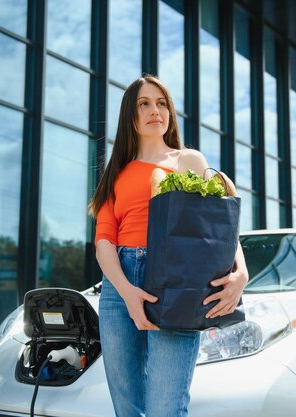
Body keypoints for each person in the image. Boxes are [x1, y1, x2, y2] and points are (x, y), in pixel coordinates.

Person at [89, 75, 248, 417]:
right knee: (126, 409)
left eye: (161, 103)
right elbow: (104, 242)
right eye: (144, 104)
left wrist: (241, 273)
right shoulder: (115, 173)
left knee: (165, 408)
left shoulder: (188, 161)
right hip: (121, 285)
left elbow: (217, 225)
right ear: (130, 116)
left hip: (176, 280)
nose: (154, 110)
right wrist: (128, 291)